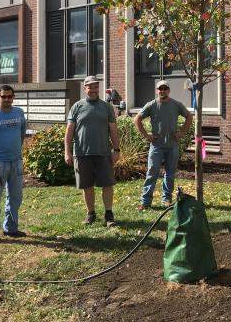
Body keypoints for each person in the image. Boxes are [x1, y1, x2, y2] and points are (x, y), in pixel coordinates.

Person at [65, 76, 121, 227]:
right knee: (86, 185)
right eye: (90, 87)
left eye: (96, 87)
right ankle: (91, 214)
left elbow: (113, 131)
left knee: (107, 184)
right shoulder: (77, 107)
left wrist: (116, 150)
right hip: (82, 153)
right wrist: (67, 152)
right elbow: (69, 132)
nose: (93, 90)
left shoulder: (107, 107)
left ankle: (109, 214)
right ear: (85, 89)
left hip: (103, 153)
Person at [134, 80, 193, 210]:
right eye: (160, 89)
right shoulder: (151, 105)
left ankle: (166, 199)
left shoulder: (176, 105)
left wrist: (181, 132)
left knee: (170, 173)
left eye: (165, 88)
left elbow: (189, 117)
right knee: (152, 172)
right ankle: (145, 202)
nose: (163, 91)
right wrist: (147, 136)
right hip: (156, 145)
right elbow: (137, 119)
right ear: (157, 91)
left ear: (169, 90)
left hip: (172, 145)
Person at [0, 85, 27, 243]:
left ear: (13, 97)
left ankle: (10, 228)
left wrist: (17, 155)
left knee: (16, 198)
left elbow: (22, 133)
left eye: (10, 96)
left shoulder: (19, 113)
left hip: (16, 162)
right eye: (4, 97)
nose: (7, 99)